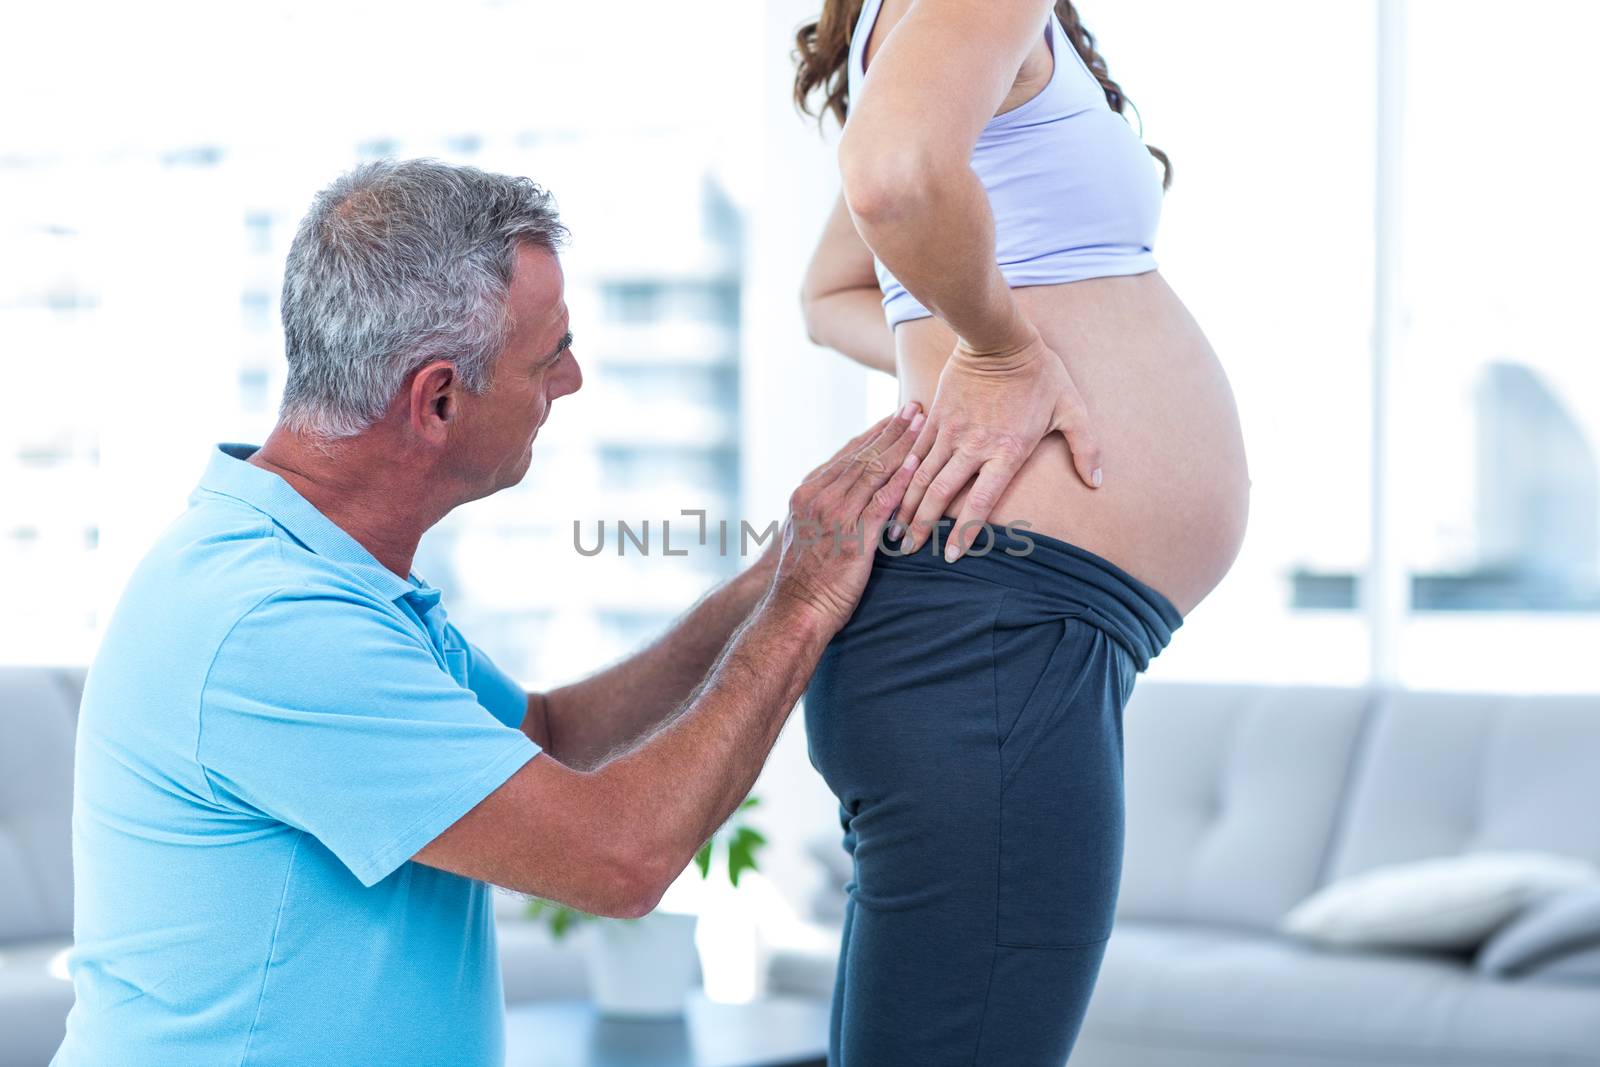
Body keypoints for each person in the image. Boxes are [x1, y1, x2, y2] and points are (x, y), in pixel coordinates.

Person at [53, 158, 924, 1067]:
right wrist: (804, 608)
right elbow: (621, 858)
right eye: (550, 355)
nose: (575, 378)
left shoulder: (328, 576)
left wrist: (772, 576)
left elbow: (545, 734)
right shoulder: (274, 622)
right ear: (438, 399)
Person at [793, 0, 1251, 1062]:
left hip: (993, 635)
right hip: (991, 634)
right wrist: (999, 354)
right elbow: (892, 180)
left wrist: (964, 351)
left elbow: (832, 293)